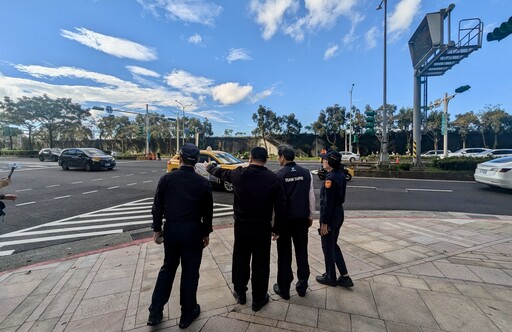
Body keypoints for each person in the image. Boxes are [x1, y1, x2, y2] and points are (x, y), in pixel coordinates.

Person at [205, 146, 285, 312]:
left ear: (250, 158)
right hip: (262, 227)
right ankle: (259, 298)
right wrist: (277, 229)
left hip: (242, 226)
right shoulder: (273, 178)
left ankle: (240, 293)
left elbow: (221, 173)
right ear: (266, 160)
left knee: (240, 258)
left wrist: (209, 167)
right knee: (260, 262)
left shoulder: (239, 174)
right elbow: (281, 206)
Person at [147, 143, 213, 328]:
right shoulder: (203, 183)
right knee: (190, 272)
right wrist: (206, 232)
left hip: (172, 230)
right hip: (193, 231)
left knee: (168, 268)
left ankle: (155, 312)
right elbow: (208, 212)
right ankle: (187, 312)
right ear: (197, 161)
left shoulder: (167, 179)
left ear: (180, 158)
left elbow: (157, 207)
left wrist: (157, 229)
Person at [273, 145, 315, 299]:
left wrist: (274, 226)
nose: (278, 159)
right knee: (302, 251)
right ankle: (302, 284)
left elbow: (275, 203)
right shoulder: (306, 173)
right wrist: (311, 216)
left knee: (284, 254)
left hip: (284, 222)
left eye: (279, 157)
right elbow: (311, 197)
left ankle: (284, 289)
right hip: (302, 219)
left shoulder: (278, 175)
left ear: (283, 157)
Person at [316, 149, 354, 288]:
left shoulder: (330, 179)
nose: (322, 161)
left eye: (324, 159)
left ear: (330, 162)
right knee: (333, 245)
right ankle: (344, 276)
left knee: (327, 246)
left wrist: (324, 223)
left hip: (330, 216)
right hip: (338, 214)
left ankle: (330, 277)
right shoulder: (340, 175)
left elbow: (327, 203)